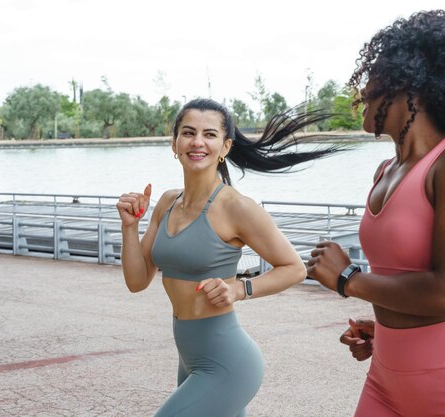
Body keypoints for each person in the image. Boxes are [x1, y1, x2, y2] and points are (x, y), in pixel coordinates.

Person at [307, 10, 445, 417]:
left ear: (408, 83)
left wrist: (347, 279)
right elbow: (402, 275)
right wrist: (390, 331)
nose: (361, 90)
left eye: (372, 78)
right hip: (387, 378)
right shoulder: (385, 172)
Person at [116, 98, 337, 417]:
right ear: (174, 142)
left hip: (227, 363)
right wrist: (129, 227)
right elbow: (137, 281)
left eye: (209, 135)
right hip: (190, 359)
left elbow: (294, 268)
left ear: (225, 146)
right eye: (188, 132)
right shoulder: (166, 203)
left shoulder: (237, 207)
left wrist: (240, 289)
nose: (197, 142)